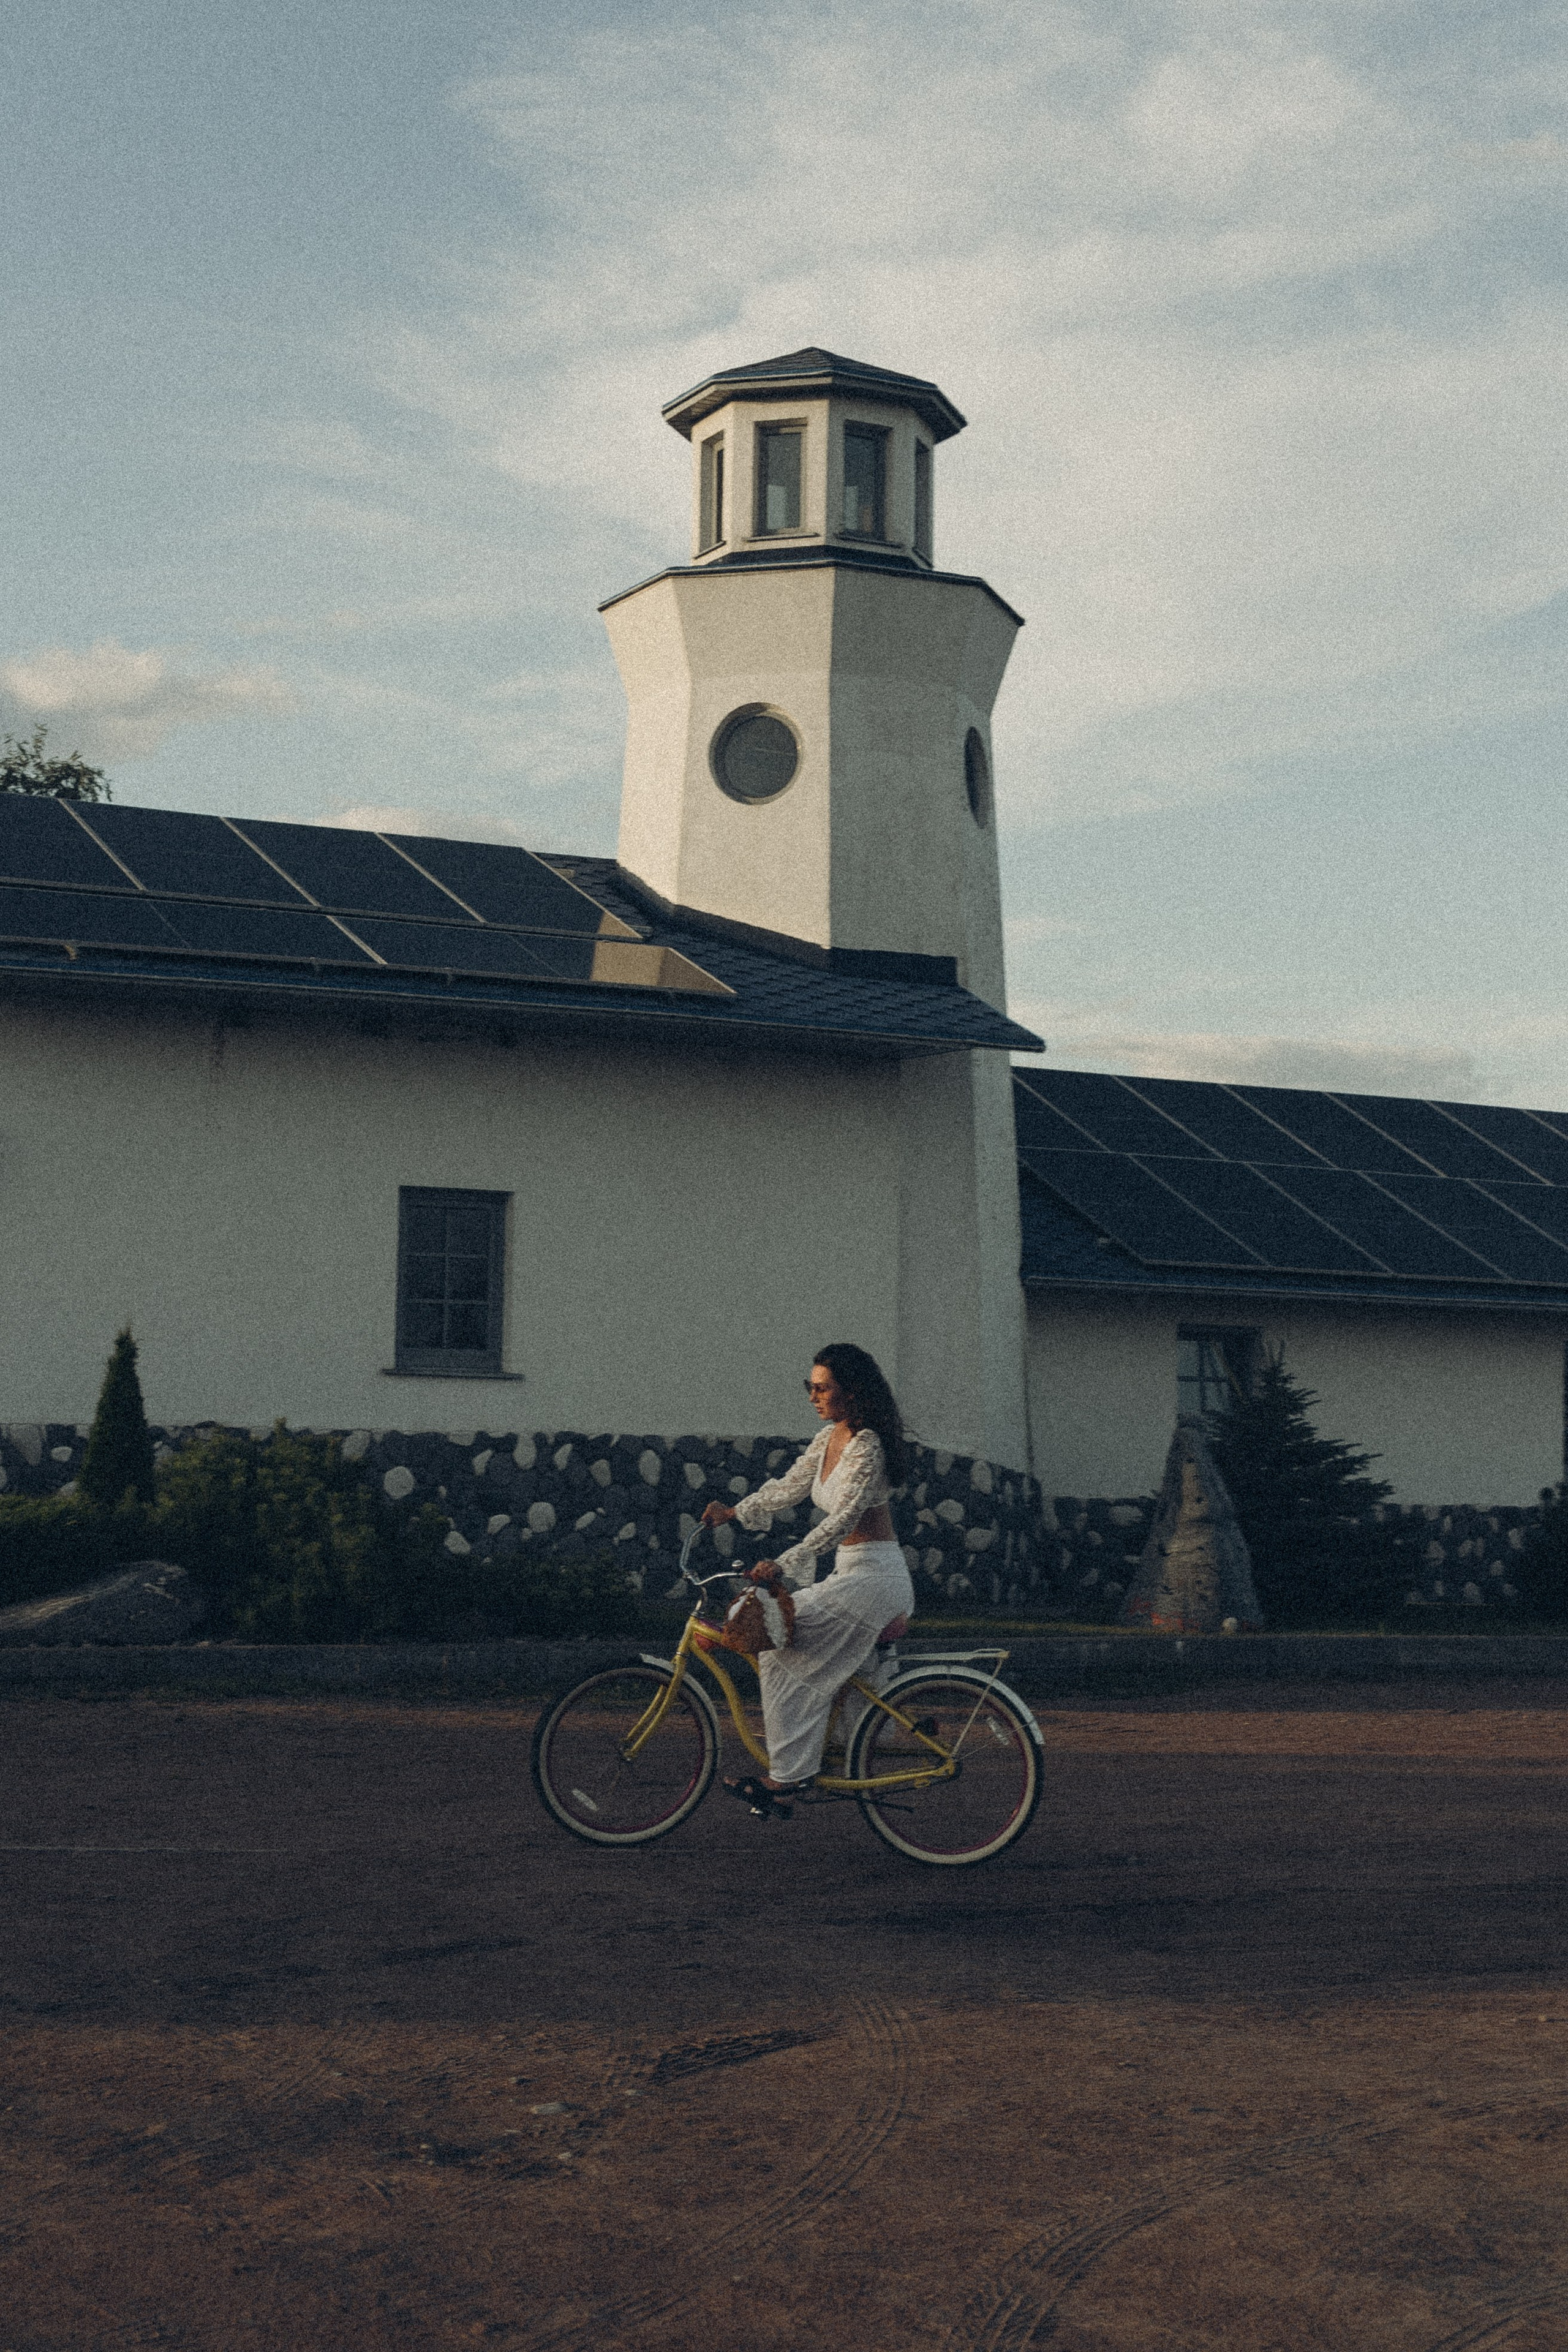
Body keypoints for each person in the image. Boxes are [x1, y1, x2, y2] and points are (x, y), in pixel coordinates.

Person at [702, 1341, 914, 1814]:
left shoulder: (867, 1445)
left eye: (822, 1388)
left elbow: (842, 1519)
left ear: (851, 1392)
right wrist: (734, 1512)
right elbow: (789, 1487)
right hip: (851, 1574)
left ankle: (787, 1777)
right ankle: (822, 1753)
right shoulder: (828, 1438)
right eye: (810, 1387)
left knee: (777, 1639)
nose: (813, 1397)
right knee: (790, 1644)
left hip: (876, 1579)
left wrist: (787, 1560)